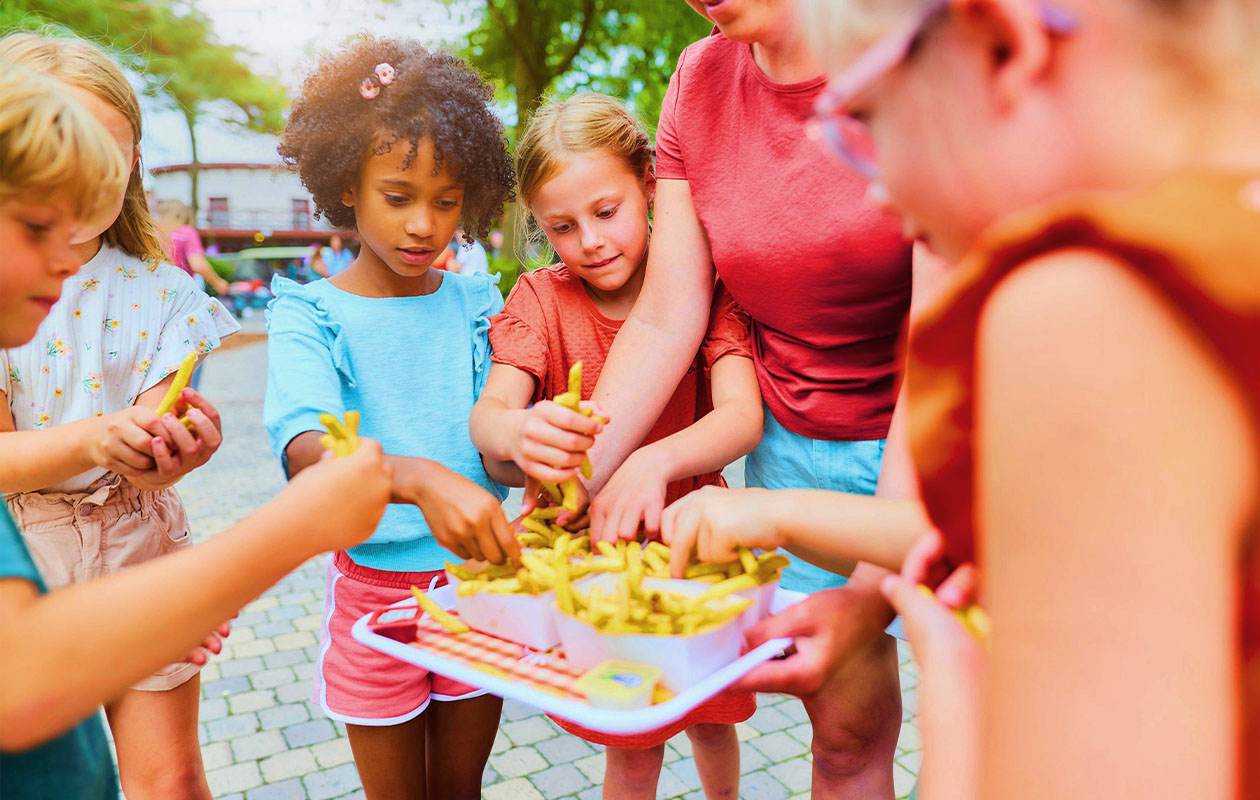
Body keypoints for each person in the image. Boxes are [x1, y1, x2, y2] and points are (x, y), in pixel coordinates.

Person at [800, 0, 1260, 798]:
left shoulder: (1092, 309)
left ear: (1001, 46)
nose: (874, 190)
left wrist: (963, 714)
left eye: (866, 116)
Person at [0, 58, 393, 800]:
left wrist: (166, 469)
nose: (65, 258)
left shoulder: (156, 291)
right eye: (35, 218)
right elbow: (22, 676)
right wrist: (289, 532)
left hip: (130, 534)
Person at [582, 2, 941, 795]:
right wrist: (577, 474)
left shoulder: (921, 52)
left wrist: (878, 583)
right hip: (798, 448)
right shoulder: (698, 79)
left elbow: (941, 344)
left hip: (938, 448)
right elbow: (668, 313)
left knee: (973, 738)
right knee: (845, 741)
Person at [469, 93, 764, 800]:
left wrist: (652, 461)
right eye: (562, 227)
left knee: (712, 721)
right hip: (588, 562)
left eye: (607, 212)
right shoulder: (540, 298)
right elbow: (489, 419)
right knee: (632, 746)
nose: (591, 242)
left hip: (690, 548)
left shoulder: (705, 289)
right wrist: (519, 430)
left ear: (652, 187)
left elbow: (741, 418)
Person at [265, 36, 518, 800]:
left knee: (460, 789)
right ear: (347, 185)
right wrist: (418, 478)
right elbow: (307, 447)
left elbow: (501, 447)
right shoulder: (308, 312)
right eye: (399, 196)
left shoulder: (478, 304)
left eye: (447, 202)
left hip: (479, 587)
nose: (424, 227)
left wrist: (542, 450)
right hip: (376, 596)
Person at [0, 32, 241, 800]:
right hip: (23, 547)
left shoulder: (166, 293)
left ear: (135, 160)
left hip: (136, 530)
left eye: (110, 152)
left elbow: (154, 423)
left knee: (168, 779)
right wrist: (99, 436)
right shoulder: (11, 288)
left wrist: (173, 447)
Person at [154, 199, 232, 297]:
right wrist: (218, 283)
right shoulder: (186, 232)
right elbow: (198, 264)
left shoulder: (154, 234)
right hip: (180, 292)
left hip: (156, 291)